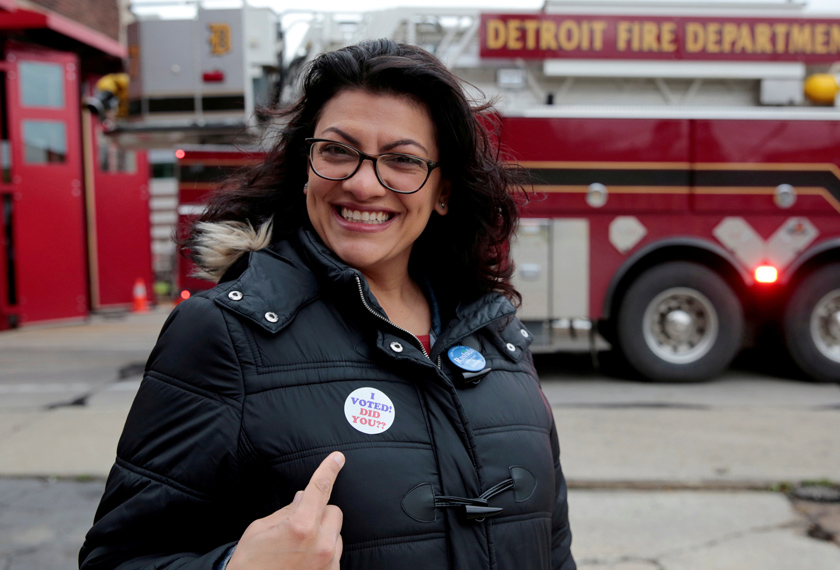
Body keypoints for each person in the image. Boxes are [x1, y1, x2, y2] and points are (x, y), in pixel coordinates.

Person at [79, 39, 575, 570]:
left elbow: (555, 549)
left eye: (402, 160)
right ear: (305, 165)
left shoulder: (496, 332)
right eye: (337, 151)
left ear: (443, 191)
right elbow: (117, 559)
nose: (364, 184)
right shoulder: (222, 335)